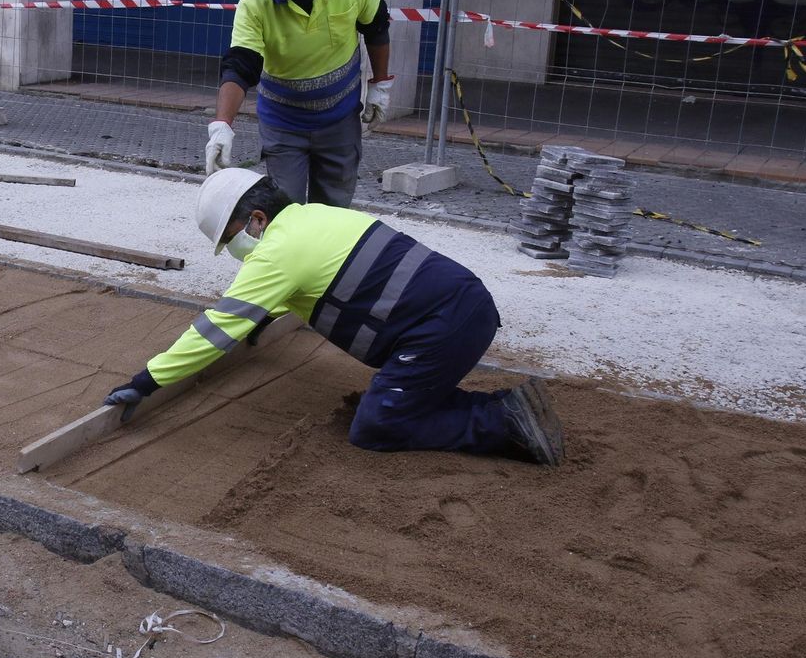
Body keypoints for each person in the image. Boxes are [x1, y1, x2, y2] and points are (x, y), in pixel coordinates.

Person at [103, 169, 565, 465]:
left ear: (257, 219)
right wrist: (262, 319)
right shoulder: (314, 217)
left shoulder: (278, 253)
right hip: (464, 308)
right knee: (398, 399)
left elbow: (216, 329)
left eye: (231, 238)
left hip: (440, 331)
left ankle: (502, 422)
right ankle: (504, 407)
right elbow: (314, 286)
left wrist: (147, 381)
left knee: (377, 426)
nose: (236, 252)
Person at [204, 0, 393, 208]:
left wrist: (380, 85)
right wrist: (222, 125)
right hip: (284, 123)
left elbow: (377, 26)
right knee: (284, 210)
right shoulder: (255, 2)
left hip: (339, 119)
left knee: (334, 211)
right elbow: (240, 66)